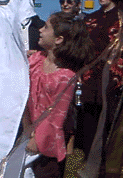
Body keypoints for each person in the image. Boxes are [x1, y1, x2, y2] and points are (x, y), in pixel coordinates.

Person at [23, 12, 94, 177]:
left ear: (59, 39)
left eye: (46, 27)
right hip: (27, 134)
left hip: (46, 145)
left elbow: (56, 116)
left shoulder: (65, 76)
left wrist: (37, 140)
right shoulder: (37, 60)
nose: (40, 30)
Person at [75, 0, 123, 175]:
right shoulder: (90, 19)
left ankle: (104, 172)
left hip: (113, 84)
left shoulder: (121, 17)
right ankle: (77, 170)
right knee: (85, 130)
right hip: (89, 83)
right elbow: (81, 49)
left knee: (109, 131)